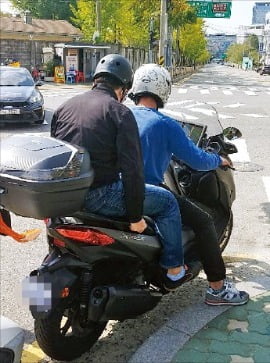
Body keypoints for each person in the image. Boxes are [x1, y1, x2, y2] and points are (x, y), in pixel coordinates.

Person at [51, 54, 195, 291]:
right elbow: (132, 170)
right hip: (100, 195)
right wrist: (135, 217)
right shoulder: (119, 112)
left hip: (66, 197)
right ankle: (174, 270)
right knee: (168, 202)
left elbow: (56, 152)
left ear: (96, 79)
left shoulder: (64, 107)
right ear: (123, 88)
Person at [128, 63, 249, 306]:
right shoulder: (165, 124)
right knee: (203, 220)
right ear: (163, 90)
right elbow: (197, 159)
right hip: (147, 192)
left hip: (112, 191)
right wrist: (219, 159)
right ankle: (216, 289)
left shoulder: (122, 116)